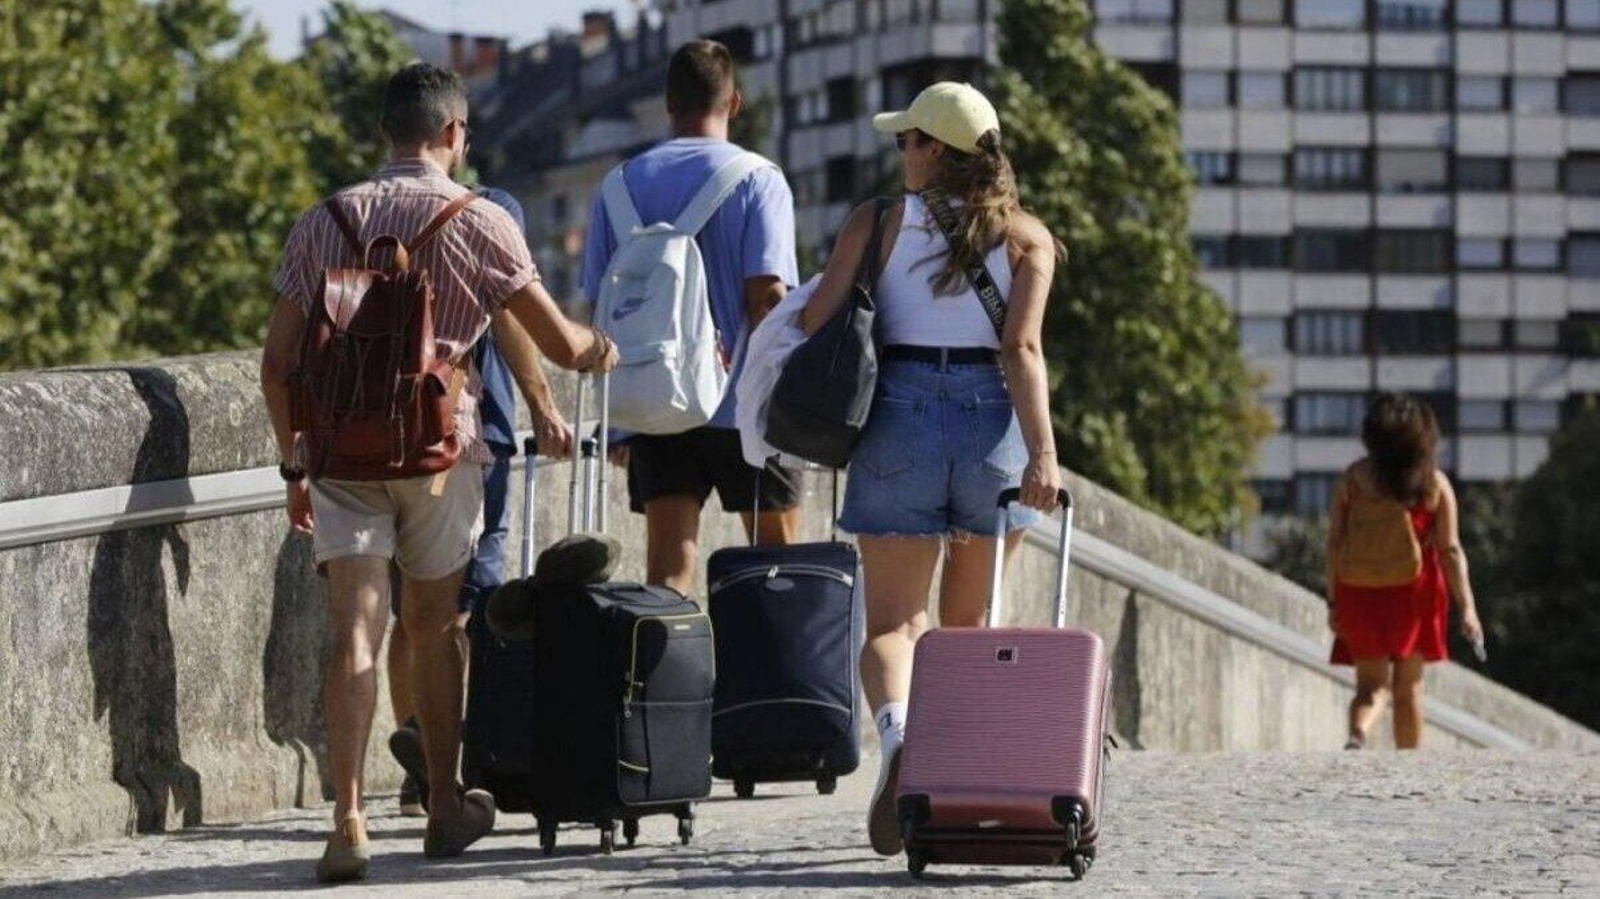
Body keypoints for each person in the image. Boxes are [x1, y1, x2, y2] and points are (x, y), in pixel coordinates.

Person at [259, 62, 616, 882]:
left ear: (386, 130)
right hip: (437, 452)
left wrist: (295, 463)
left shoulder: (324, 221)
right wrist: (604, 349)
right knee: (437, 624)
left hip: (343, 454)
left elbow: (278, 364)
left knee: (356, 624)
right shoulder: (481, 220)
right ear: (454, 133)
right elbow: (560, 344)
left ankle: (348, 815)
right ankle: (446, 803)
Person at [797, 81, 1062, 856]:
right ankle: (959, 780)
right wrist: (1043, 453)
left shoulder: (876, 221)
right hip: (992, 424)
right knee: (970, 626)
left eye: (908, 140)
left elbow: (819, 322)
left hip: (898, 415)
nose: (901, 152)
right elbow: (1023, 351)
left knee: (892, 625)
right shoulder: (1028, 239)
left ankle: (900, 738)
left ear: (934, 151)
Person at [580, 39, 801, 594]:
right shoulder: (758, 179)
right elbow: (768, 295)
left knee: (667, 574)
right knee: (776, 568)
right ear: (735, 102)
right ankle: (769, 680)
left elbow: (601, 309)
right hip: (745, 404)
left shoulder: (618, 186)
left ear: (668, 103)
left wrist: (620, 419)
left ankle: (667, 677)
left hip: (657, 400)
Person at [385, 188, 573, 818]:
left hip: (383, 438)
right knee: (460, 610)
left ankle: (415, 749)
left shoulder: (376, 219)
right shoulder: (492, 217)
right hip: (471, 434)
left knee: (405, 613)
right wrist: (546, 406)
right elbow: (518, 323)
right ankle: (448, 765)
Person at [1326, 392, 1484, 751]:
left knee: (1370, 686)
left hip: (1358, 590)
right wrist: (1468, 608)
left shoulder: (1353, 481)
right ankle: (1409, 762)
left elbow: (1334, 542)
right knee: (1409, 686)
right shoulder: (1432, 485)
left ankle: (1358, 733)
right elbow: (1450, 550)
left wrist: (1333, 601)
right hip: (1415, 594)